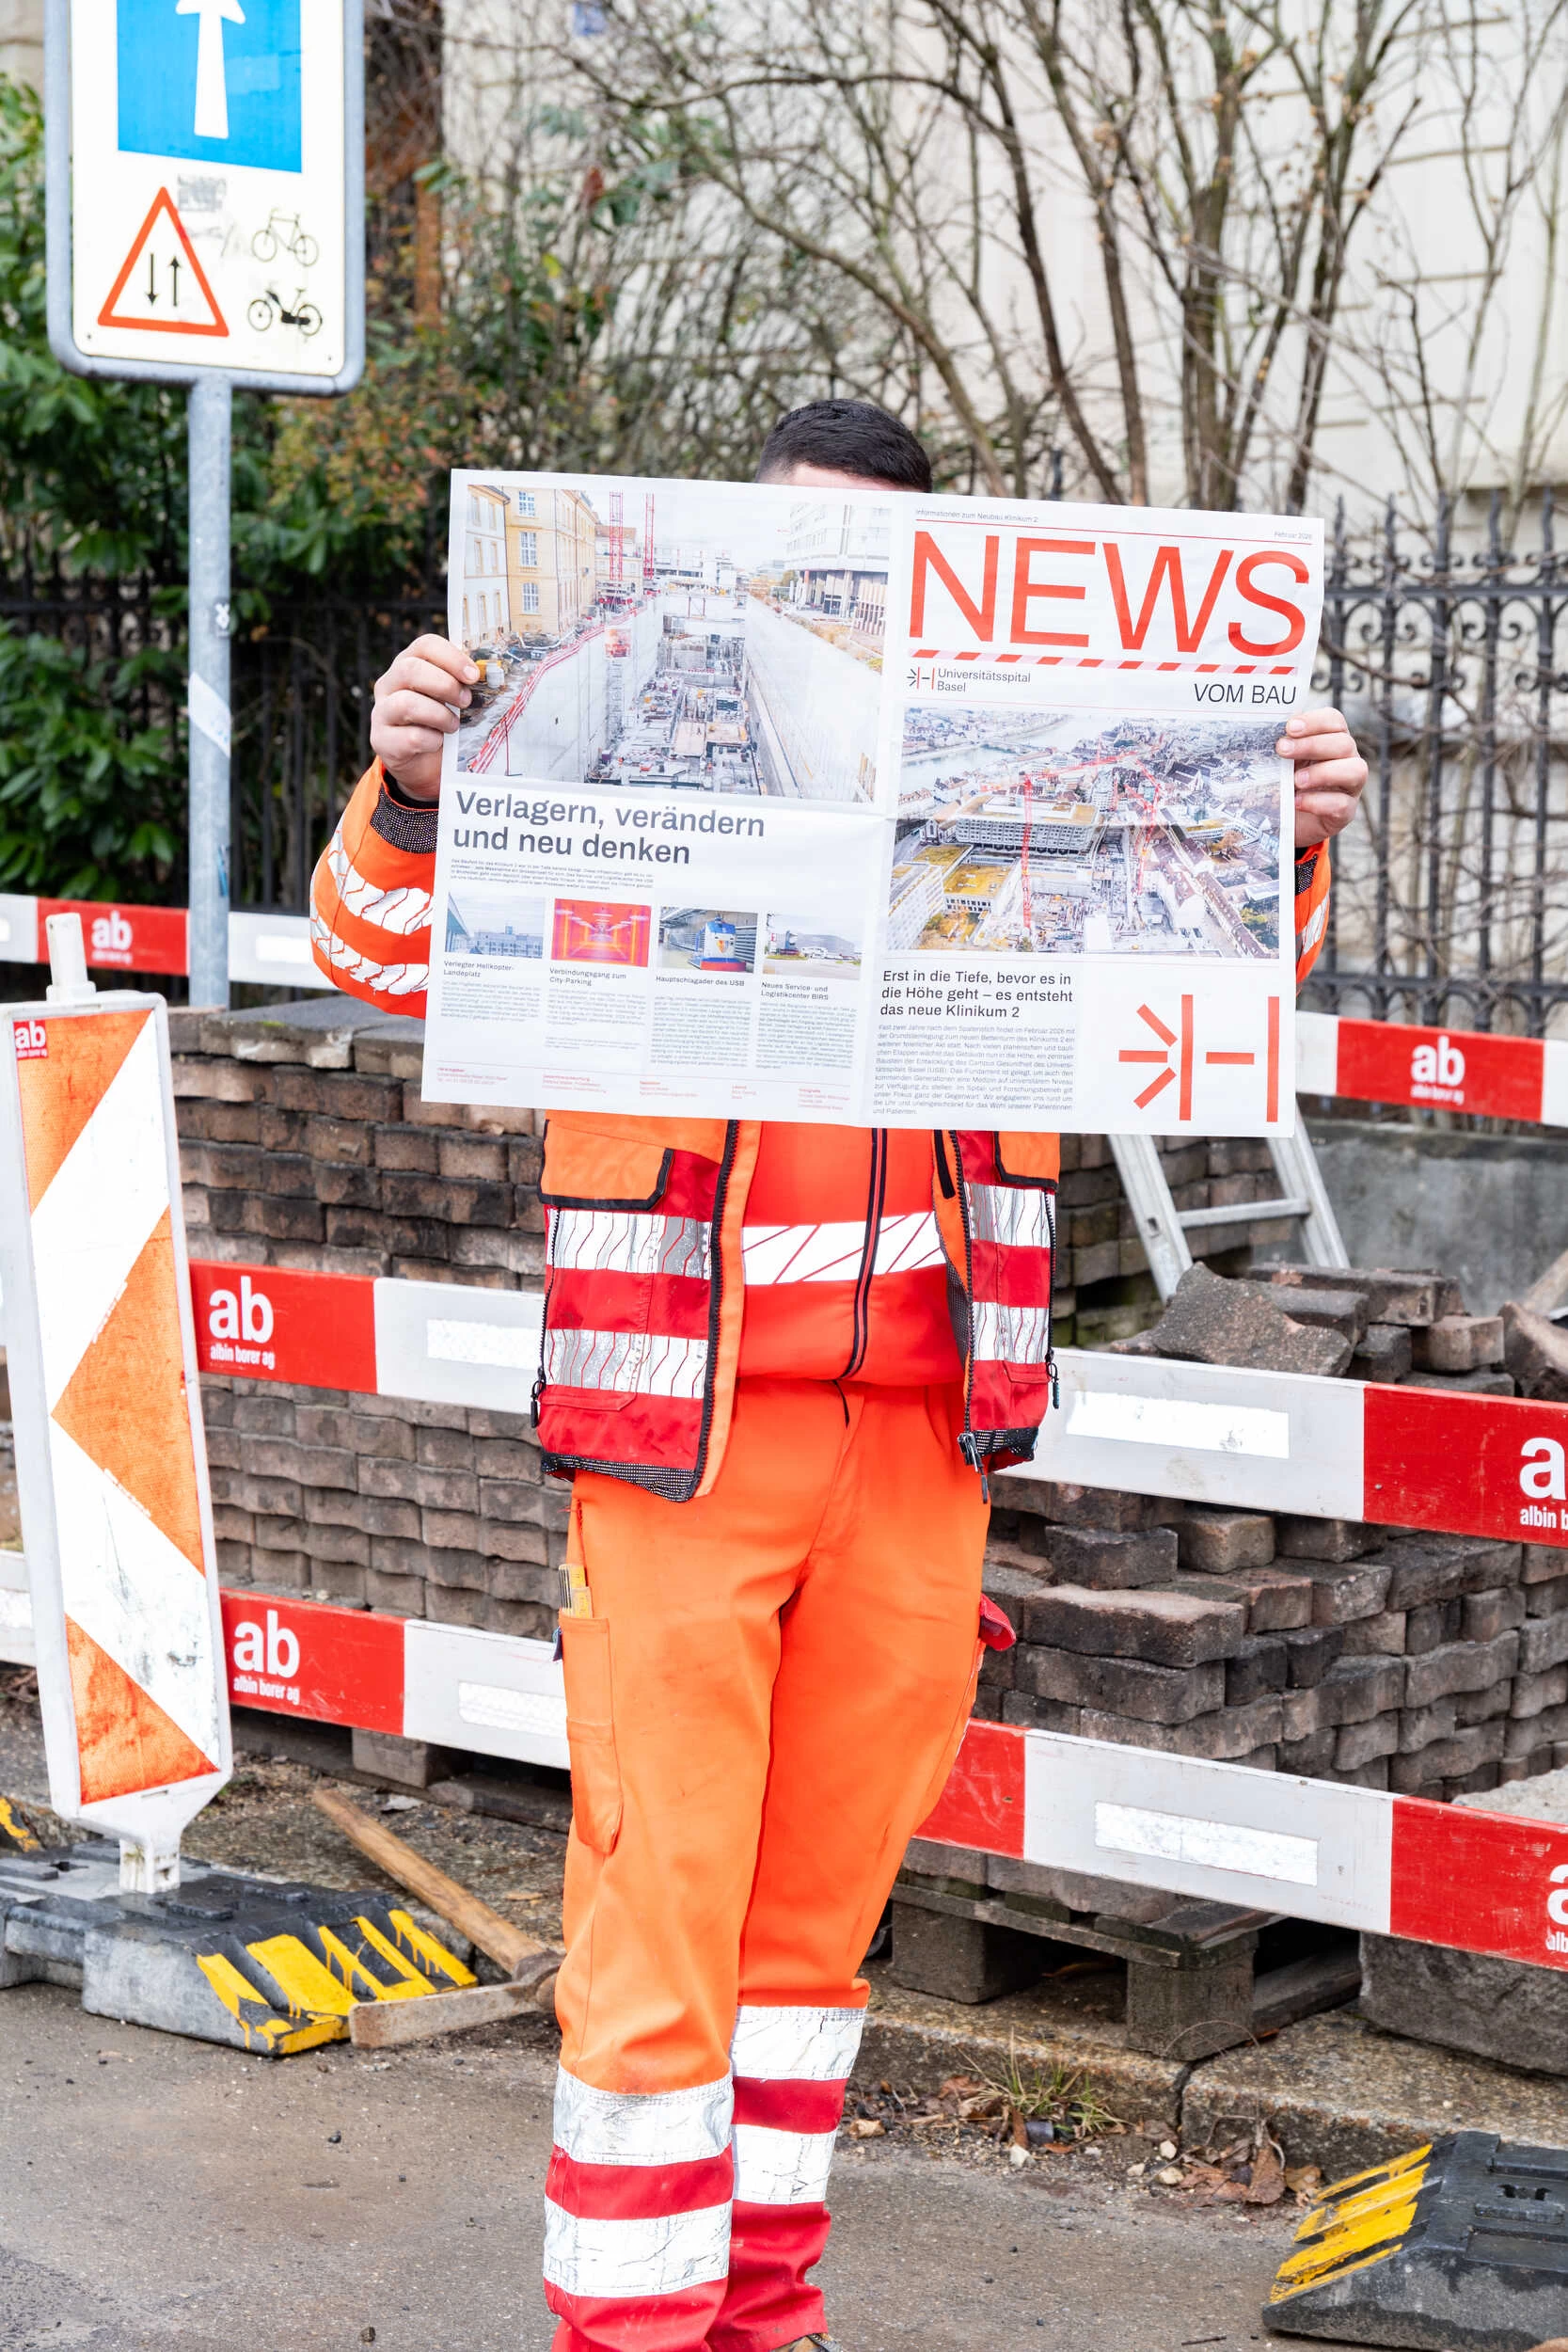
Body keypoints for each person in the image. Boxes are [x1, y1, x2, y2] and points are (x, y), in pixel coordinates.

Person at [310, 401, 1369, 2352]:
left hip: (917, 1455)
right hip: (685, 1447)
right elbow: (376, 957)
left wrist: (1277, 842)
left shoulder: (991, 786)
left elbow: (1197, 989)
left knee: (810, 1947)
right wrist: (414, 795)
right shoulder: (609, 740)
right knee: (661, 1926)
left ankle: (763, 2318)